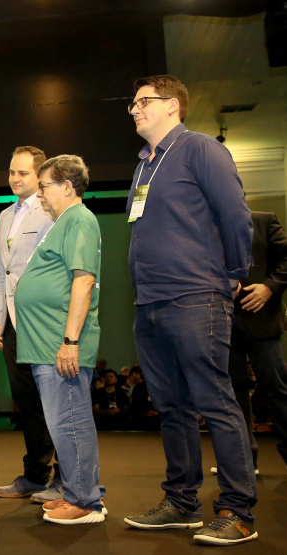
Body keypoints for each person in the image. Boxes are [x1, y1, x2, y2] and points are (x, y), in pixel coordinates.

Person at [122, 75, 257, 545]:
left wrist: (236, 270)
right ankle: (181, 502)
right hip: (150, 301)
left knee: (215, 403)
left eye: (144, 101)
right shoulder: (144, 165)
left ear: (173, 105)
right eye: (134, 103)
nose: (134, 109)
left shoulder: (200, 148)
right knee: (172, 407)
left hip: (197, 296)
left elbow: (236, 214)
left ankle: (238, 512)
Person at [14, 154, 105, 525]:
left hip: (59, 343)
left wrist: (69, 341)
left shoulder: (79, 219)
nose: (39, 194)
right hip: (47, 342)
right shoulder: (63, 221)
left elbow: (83, 280)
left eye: (45, 185)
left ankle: (85, 502)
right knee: (62, 421)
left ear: (68, 186)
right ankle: (77, 492)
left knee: (70, 421)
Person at [0, 146, 61, 503]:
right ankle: (35, 475)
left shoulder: (53, 210)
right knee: (27, 399)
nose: (15, 178)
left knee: (56, 399)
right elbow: (2, 272)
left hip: (45, 317)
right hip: (14, 321)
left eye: (23, 173)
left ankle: (66, 478)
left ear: (39, 176)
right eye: (11, 172)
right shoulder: (4, 215)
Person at [218, 211, 287, 474]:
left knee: (275, 389)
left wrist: (269, 287)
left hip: (262, 319)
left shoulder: (263, 220)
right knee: (232, 395)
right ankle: (243, 461)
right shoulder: (206, 226)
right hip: (223, 321)